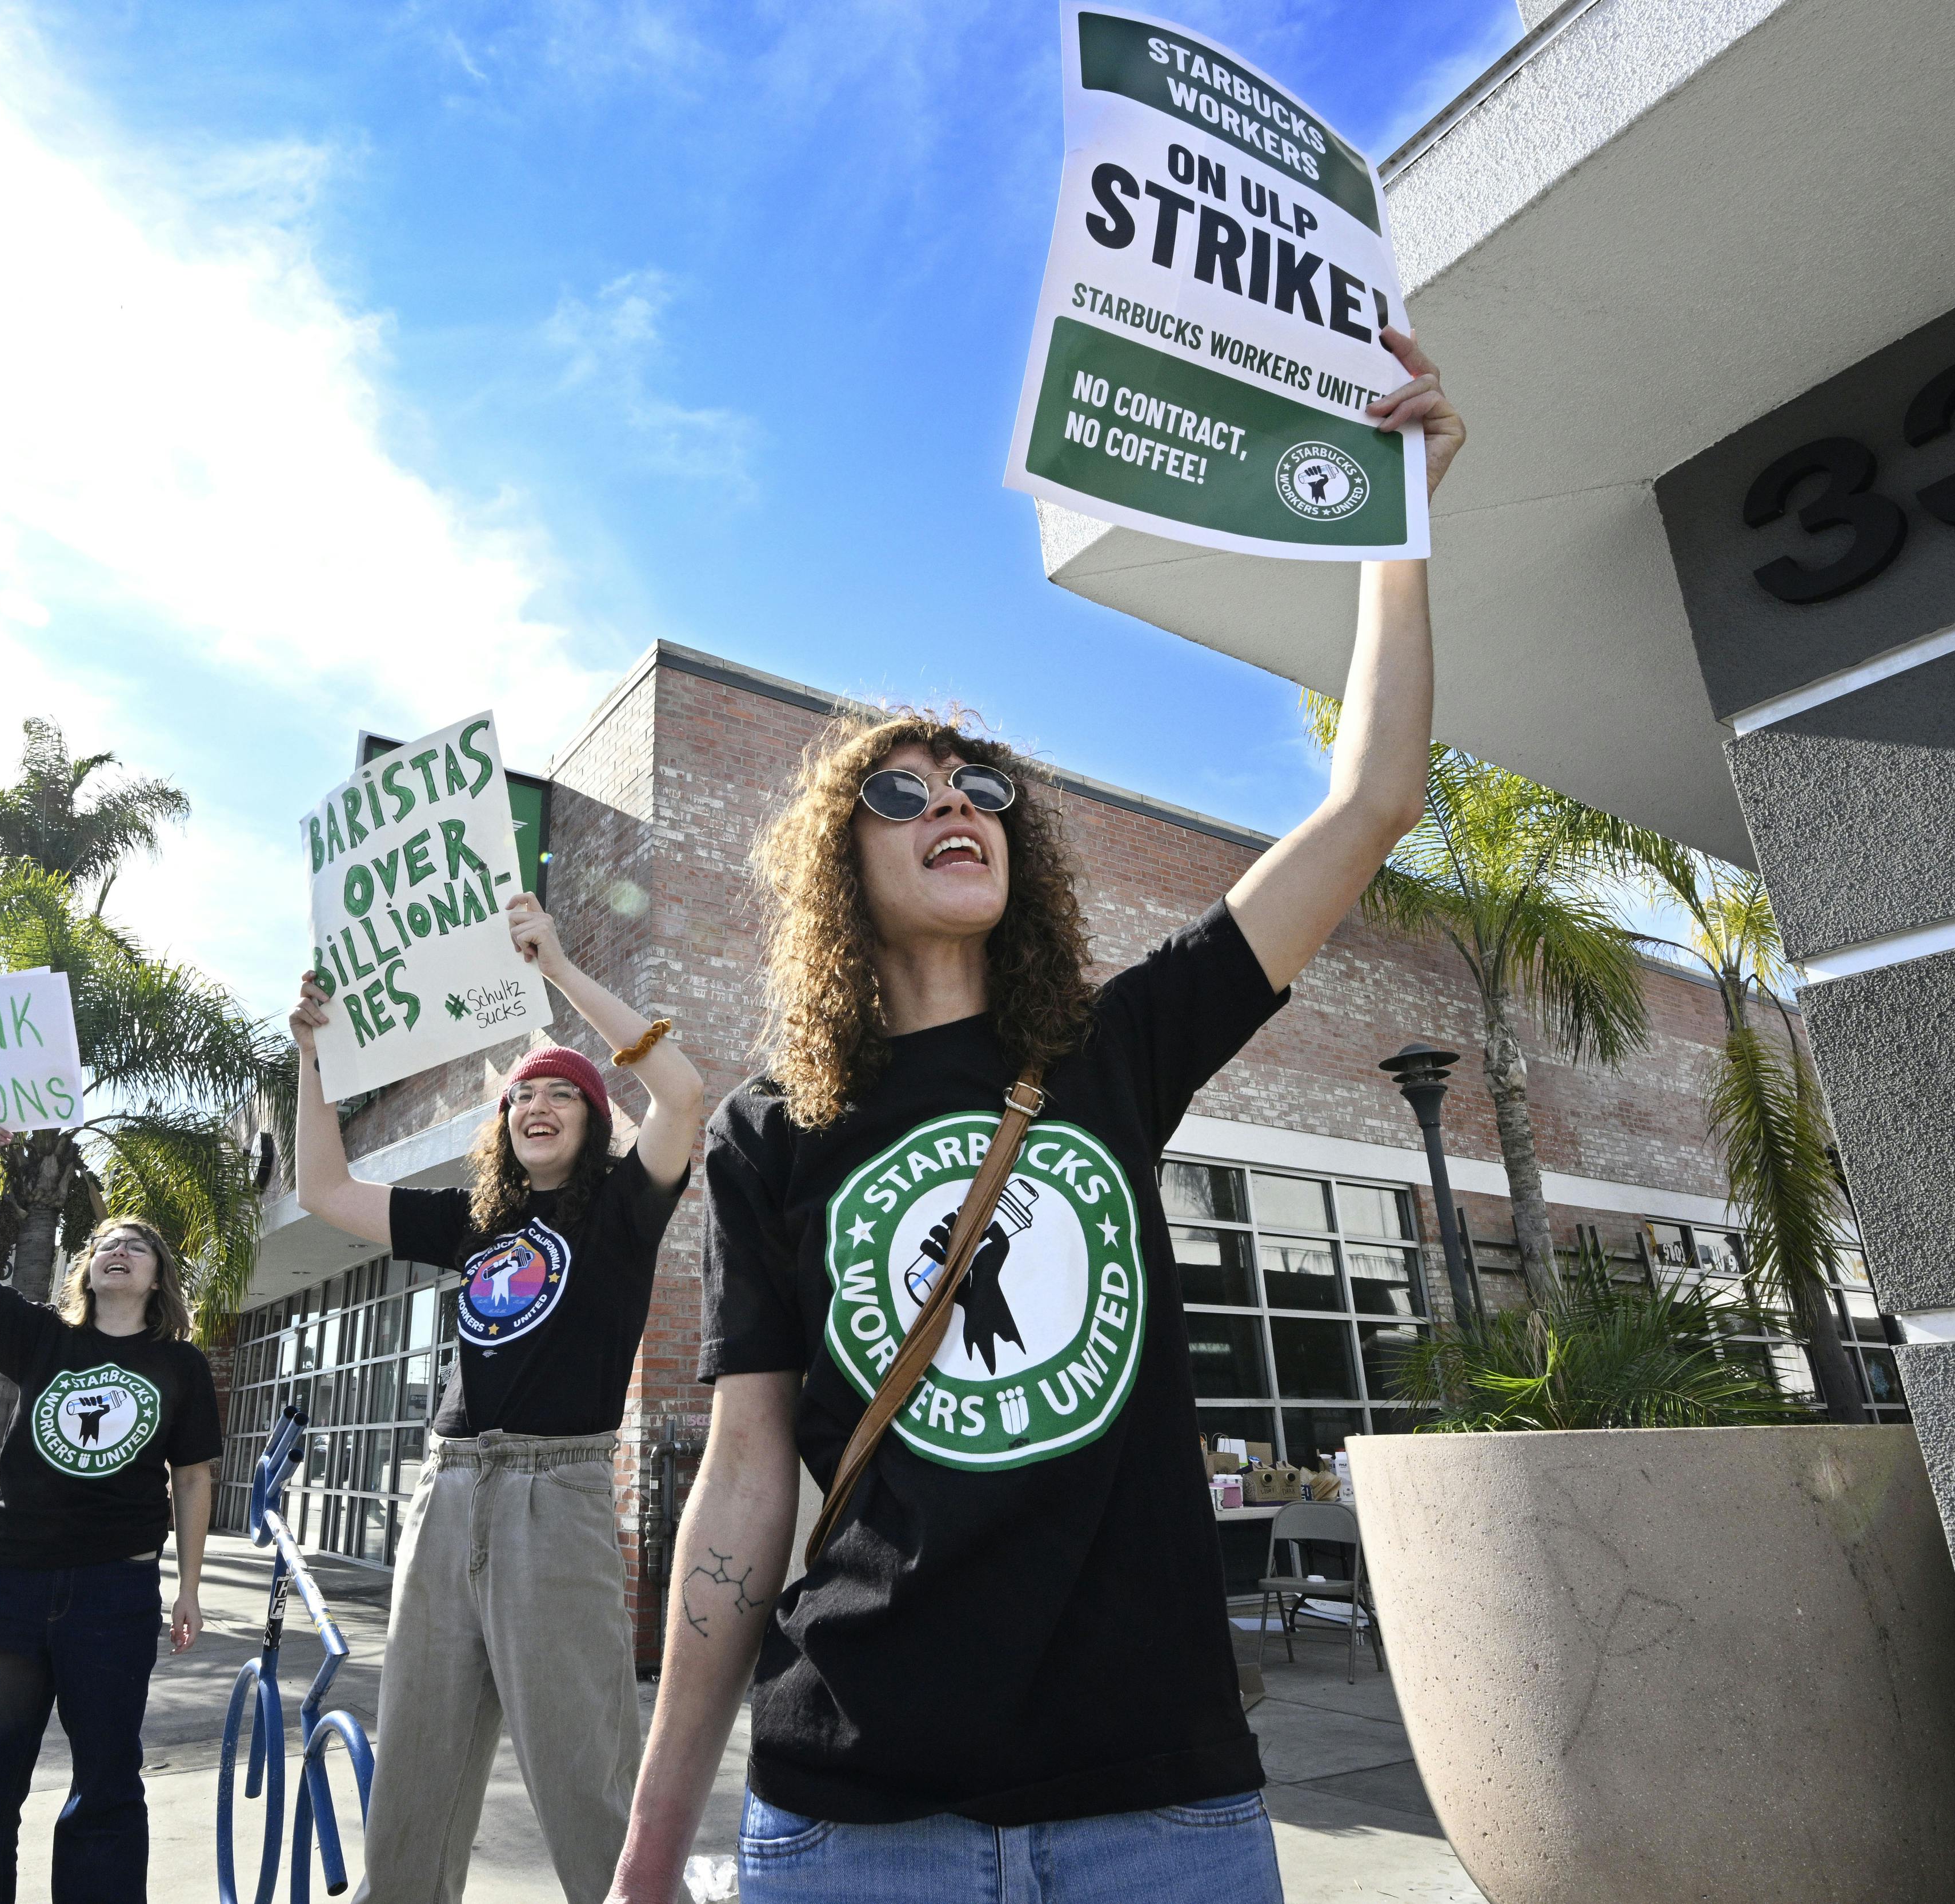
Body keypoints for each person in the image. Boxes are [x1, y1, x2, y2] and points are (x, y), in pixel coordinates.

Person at [604, 329, 1465, 1904]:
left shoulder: (1121, 1050)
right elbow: (743, 1483)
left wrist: (1392, 526)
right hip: (854, 1814)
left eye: (981, 786)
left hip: (1163, 1810)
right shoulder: (770, 1131)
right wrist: (656, 1840)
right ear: (834, 872)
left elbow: (1372, 802)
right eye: (901, 789)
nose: (952, 804)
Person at [289, 890, 708, 1904]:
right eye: (522, 1096)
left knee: (586, 1783)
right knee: (417, 1784)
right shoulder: (475, 1223)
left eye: (560, 1094)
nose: (537, 1106)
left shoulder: (620, 1209)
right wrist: (312, 1059)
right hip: (447, 1493)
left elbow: (685, 1093)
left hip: (552, 1497)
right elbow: (325, 1193)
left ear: (593, 1118)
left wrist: (557, 969)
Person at [0, 1116, 222, 1904]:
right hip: (9, 1587)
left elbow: (193, 1478)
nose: (116, 1250)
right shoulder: (43, 1340)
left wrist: (189, 1587)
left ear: (158, 1279)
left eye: (136, 1245)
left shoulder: (178, 1364)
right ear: (85, 1271)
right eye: (103, 1246)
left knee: (106, 1789)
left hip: (113, 1592)